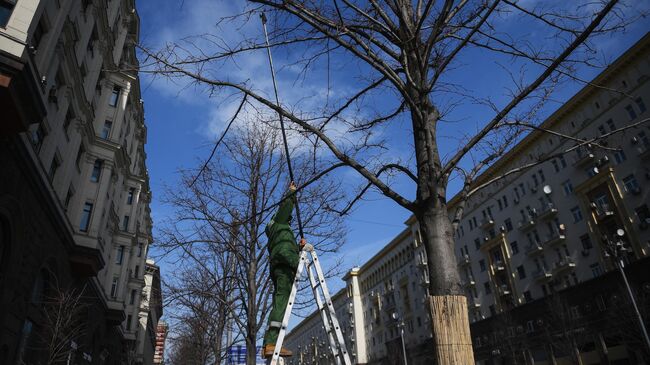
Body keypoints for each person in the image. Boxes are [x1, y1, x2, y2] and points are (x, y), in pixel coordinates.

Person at [262, 181, 306, 358]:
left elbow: (287, 246)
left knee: (280, 300)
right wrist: (291, 192)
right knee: (281, 301)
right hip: (285, 264)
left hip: (282, 263)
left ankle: (270, 343)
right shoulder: (278, 222)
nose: (289, 219)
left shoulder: (279, 232)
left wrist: (299, 247)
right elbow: (286, 206)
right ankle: (272, 343)